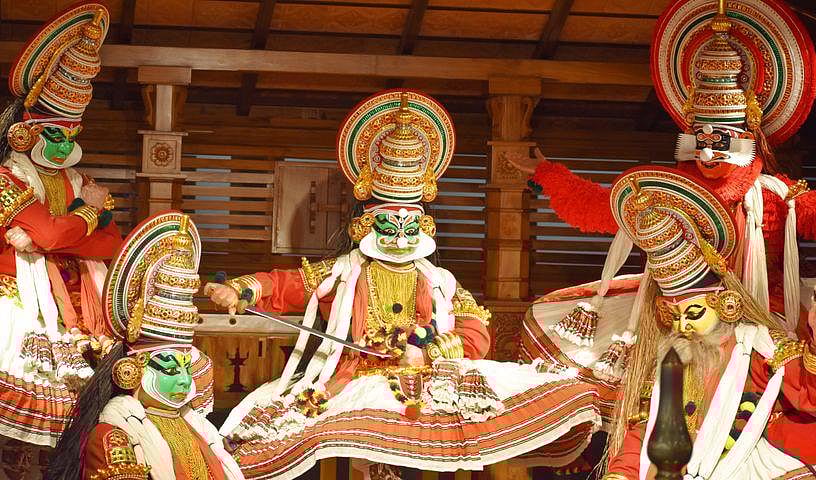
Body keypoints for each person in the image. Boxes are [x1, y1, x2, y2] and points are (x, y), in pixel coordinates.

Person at [207, 90, 602, 480]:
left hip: (429, 381)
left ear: (424, 226)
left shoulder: (440, 283)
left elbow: (476, 330)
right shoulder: (343, 273)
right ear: (366, 224)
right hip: (354, 382)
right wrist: (241, 290)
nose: (400, 236)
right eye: (389, 224)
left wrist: (426, 352)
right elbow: (284, 284)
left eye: (409, 224)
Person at [517, 0, 816, 383]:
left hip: (756, 325)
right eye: (701, 139)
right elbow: (600, 207)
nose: (708, 152)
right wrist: (547, 173)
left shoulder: (773, 195)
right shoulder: (666, 191)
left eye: (721, 140)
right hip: (674, 321)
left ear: (746, 137)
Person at [597, 166, 816, 480]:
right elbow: (645, 429)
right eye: (673, 317)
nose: (682, 327)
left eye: (693, 314)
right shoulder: (668, 363)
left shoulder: (758, 346)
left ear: (724, 305)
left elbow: (815, 397)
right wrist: (620, 474)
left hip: (747, 460)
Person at [0, 1, 123, 461]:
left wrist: (52, 234)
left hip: (77, 305)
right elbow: (54, 236)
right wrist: (84, 217)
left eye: (71, 133)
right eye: (55, 133)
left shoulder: (80, 183)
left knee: (81, 413)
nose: (65, 143)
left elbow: (111, 243)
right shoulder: (7, 180)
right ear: (25, 133)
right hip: (15, 297)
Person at [46, 212, 244, 480]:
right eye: (171, 371)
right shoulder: (115, 436)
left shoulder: (198, 430)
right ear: (132, 371)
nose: (186, 382)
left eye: (187, 370)